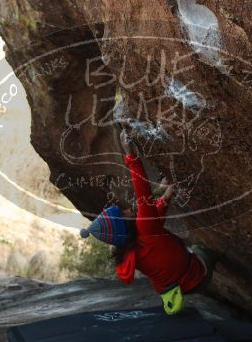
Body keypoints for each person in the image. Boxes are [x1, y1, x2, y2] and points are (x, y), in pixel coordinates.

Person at [80, 128, 215, 314]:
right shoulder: (144, 228)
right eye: (123, 212)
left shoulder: (128, 247)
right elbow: (142, 193)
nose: (127, 209)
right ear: (124, 223)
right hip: (196, 278)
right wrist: (130, 154)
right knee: (202, 248)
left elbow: (155, 222)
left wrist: (166, 195)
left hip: (174, 290)